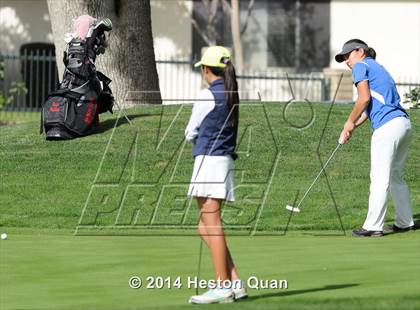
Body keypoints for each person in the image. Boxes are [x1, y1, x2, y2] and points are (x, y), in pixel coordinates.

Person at [185, 46, 247, 304]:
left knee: (212, 223)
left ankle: (223, 286)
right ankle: (234, 281)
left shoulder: (207, 95)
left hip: (209, 161)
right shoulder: (231, 93)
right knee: (204, 225)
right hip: (222, 161)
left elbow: (190, 132)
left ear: (206, 69)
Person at [336, 39, 414, 237]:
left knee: (379, 177)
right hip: (403, 124)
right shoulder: (378, 67)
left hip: (387, 127)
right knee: (396, 175)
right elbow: (368, 109)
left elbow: (363, 99)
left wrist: (348, 121)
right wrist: (352, 126)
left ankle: (373, 226)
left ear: (360, 51)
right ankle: (405, 222)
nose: (346, 61)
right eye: (344, 58)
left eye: (348, 55)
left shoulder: (361, 66)